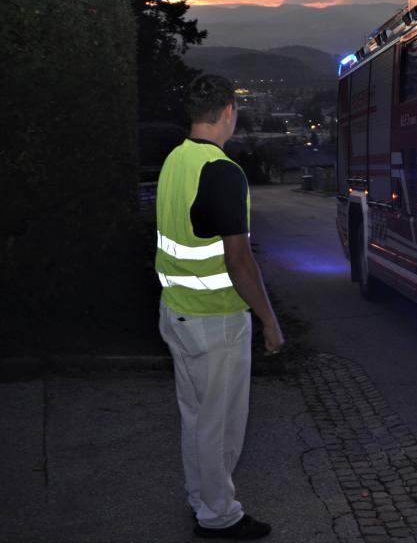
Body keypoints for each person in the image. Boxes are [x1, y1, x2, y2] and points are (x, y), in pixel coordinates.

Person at [155, 74, 284, 540]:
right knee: (220, 426)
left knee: (196, 419)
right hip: (216, 321)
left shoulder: (175, 160)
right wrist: (269, 321)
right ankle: (219, 515)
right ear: (229, 111)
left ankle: (201, 500)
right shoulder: (223, 171)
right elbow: (239, 261)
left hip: (177, 311)